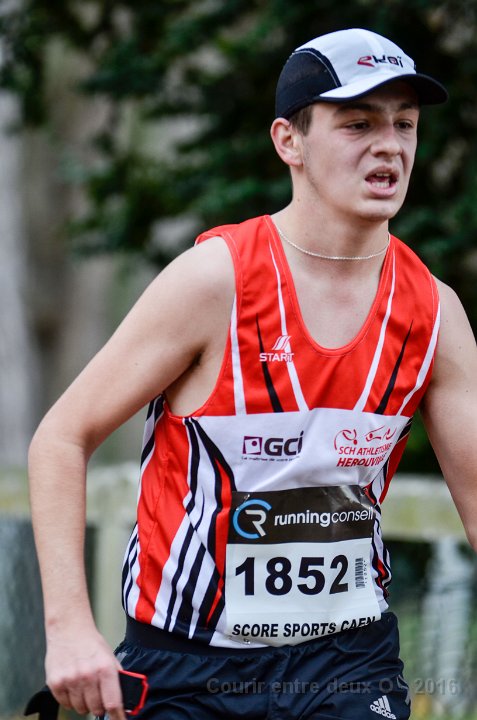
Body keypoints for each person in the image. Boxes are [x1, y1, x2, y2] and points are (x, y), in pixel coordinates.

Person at [27, 27, 477, 720]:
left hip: (346, 663)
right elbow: (60, 438)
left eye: (404, 124)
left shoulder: (432, 313)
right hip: (189, 663)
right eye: (358, 124)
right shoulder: (215, 281)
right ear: (288, 141)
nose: (389, 145)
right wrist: (68, 631)